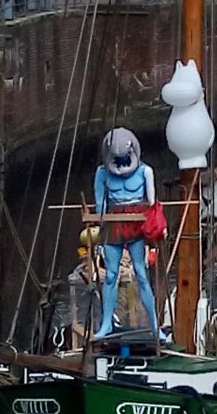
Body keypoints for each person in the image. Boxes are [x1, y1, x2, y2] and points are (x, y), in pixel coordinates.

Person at [92, 128, 161, 339]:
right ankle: (106, 325)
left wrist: (157, 226)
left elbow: (152, 204)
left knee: (141, 273)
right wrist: (99, 221)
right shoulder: (102, 173)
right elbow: (99, 203)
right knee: (111, 275)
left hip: (136, 224)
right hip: (113, 224)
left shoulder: (145, 172)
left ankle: (155, 327)